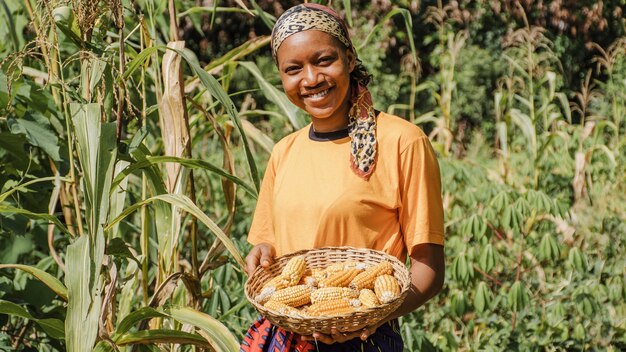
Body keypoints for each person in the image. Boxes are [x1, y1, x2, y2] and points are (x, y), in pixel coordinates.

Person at [241, 3, 445, 351]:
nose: (310, 79)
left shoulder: (402, 141)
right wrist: (261, 253)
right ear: (281, 77)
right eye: (294, 69)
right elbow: (269, 244)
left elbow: (429, 270)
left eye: (323, 60)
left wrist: (370, 316)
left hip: (365, 338)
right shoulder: (283, 152)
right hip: (286, 336)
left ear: (349, 59)